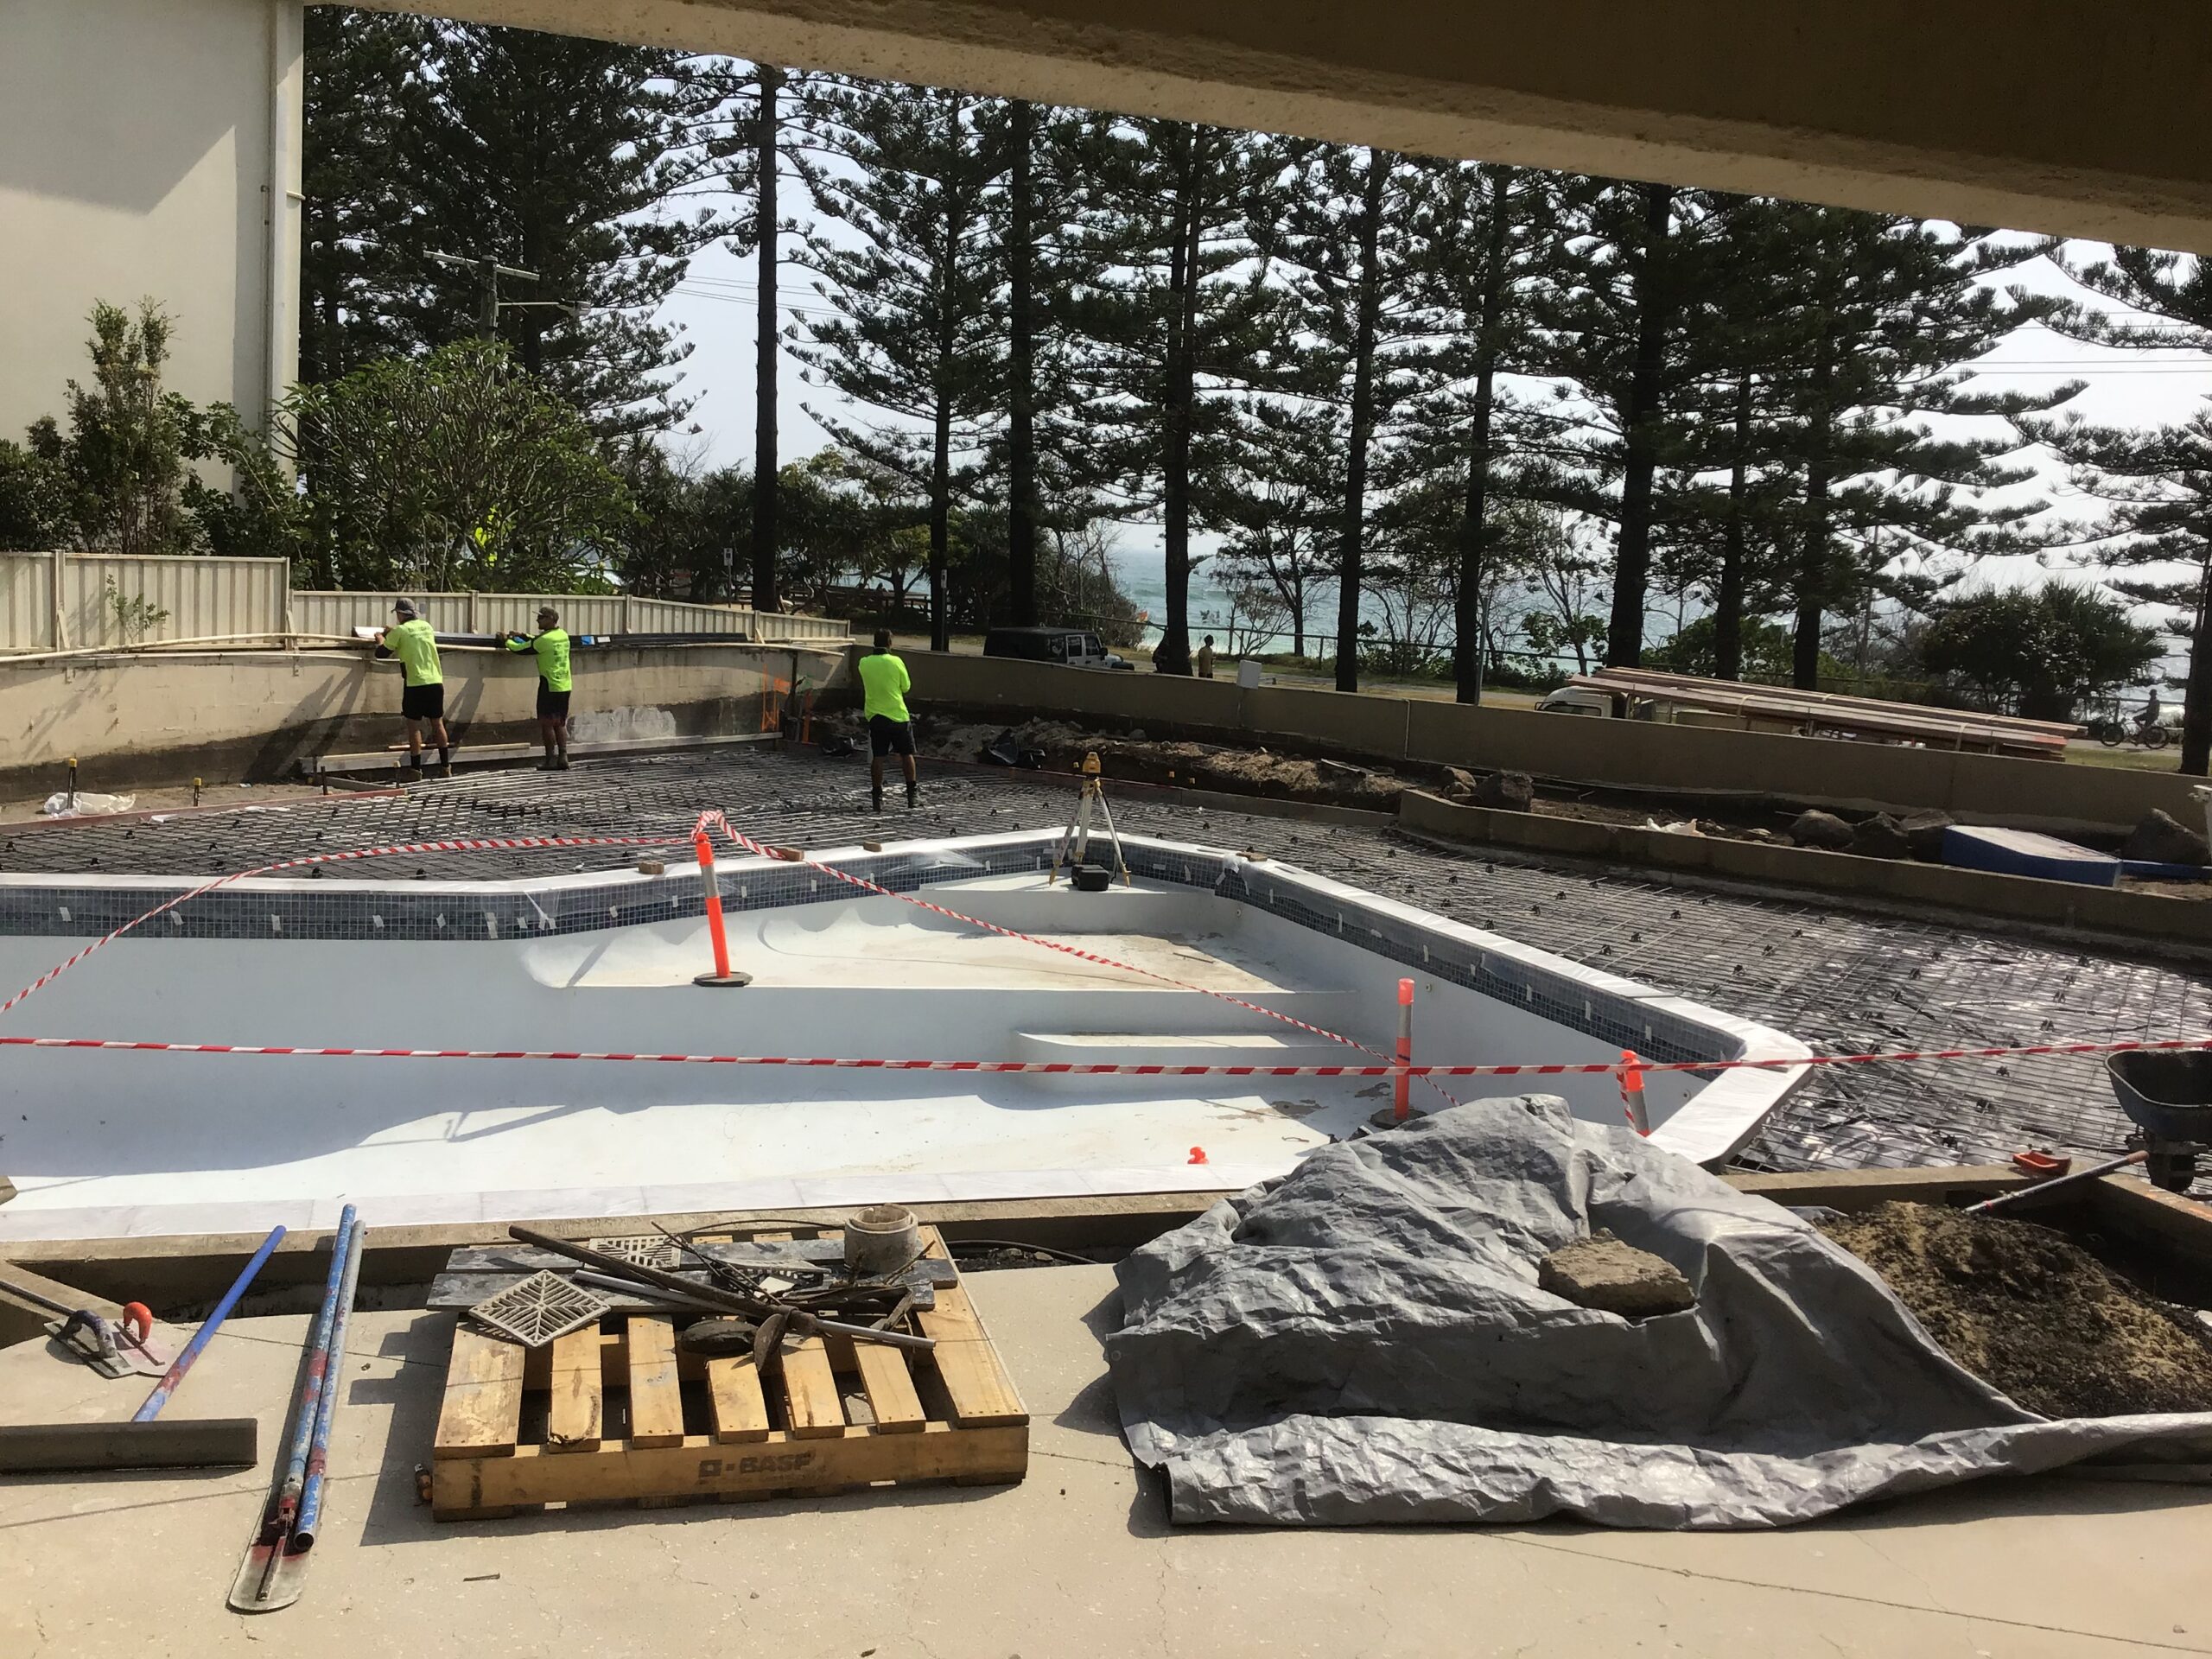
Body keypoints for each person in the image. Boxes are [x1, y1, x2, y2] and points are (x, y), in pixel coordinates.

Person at [376, 598, 450, 779]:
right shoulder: (427, 627)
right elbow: (413, 638)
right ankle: (445, 767)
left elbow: (381, 653)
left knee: (414, 726)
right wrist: (393, 633)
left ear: (400, 614)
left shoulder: (400, 631)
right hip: (435, 681)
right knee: (437, 723)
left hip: (415, 684)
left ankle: (416, 770)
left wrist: (380, 639)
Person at [504, 606, 573, 769]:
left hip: (549, 685)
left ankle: (550, 760)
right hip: (565, 685)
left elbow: (522, 649)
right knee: (560, 723)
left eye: (541, 617)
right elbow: (536, 640)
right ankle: (563, 757)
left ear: (550, 619)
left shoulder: (544, 640)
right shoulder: (562, 635)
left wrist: (506, 640)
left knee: (547, 723)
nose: (537, 620)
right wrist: (522, 635)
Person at [856, 627, 917, 810]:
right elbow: (906, 687)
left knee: (878, 757)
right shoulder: (896, 661)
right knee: (907, 754)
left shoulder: (864, 663)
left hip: (876, 717)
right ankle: (912, 796)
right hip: (899, 716)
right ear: (890, 643)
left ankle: (877, 798)